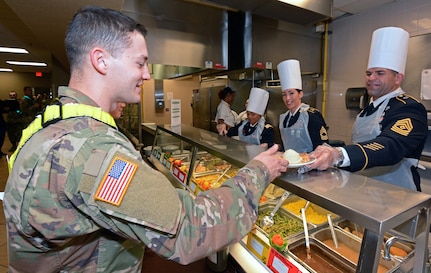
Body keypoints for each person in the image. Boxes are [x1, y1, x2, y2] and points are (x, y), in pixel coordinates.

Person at [3, 6, 288, 273]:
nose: (147, 74)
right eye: (140, 63)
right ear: (101, 60)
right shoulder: (94, 151)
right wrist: (258, 173)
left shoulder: (52, 121)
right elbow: (189, 228)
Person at [309, 27, 428, 191]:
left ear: (398, 78)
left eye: (380, 73)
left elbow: (391, 145)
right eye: (368, 73)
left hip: (398, 197)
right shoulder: (367, 110)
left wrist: (339, 154)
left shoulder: (409, 108)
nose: (371, 78)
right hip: (365, 193)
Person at [277, 59, 329, 152]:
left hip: (310, 165)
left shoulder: (311, 115)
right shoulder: (283, 118)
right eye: (284, 94)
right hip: (289, 164)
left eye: (291, 93)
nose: (288, 98)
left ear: (300, 94)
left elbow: (323, 147)